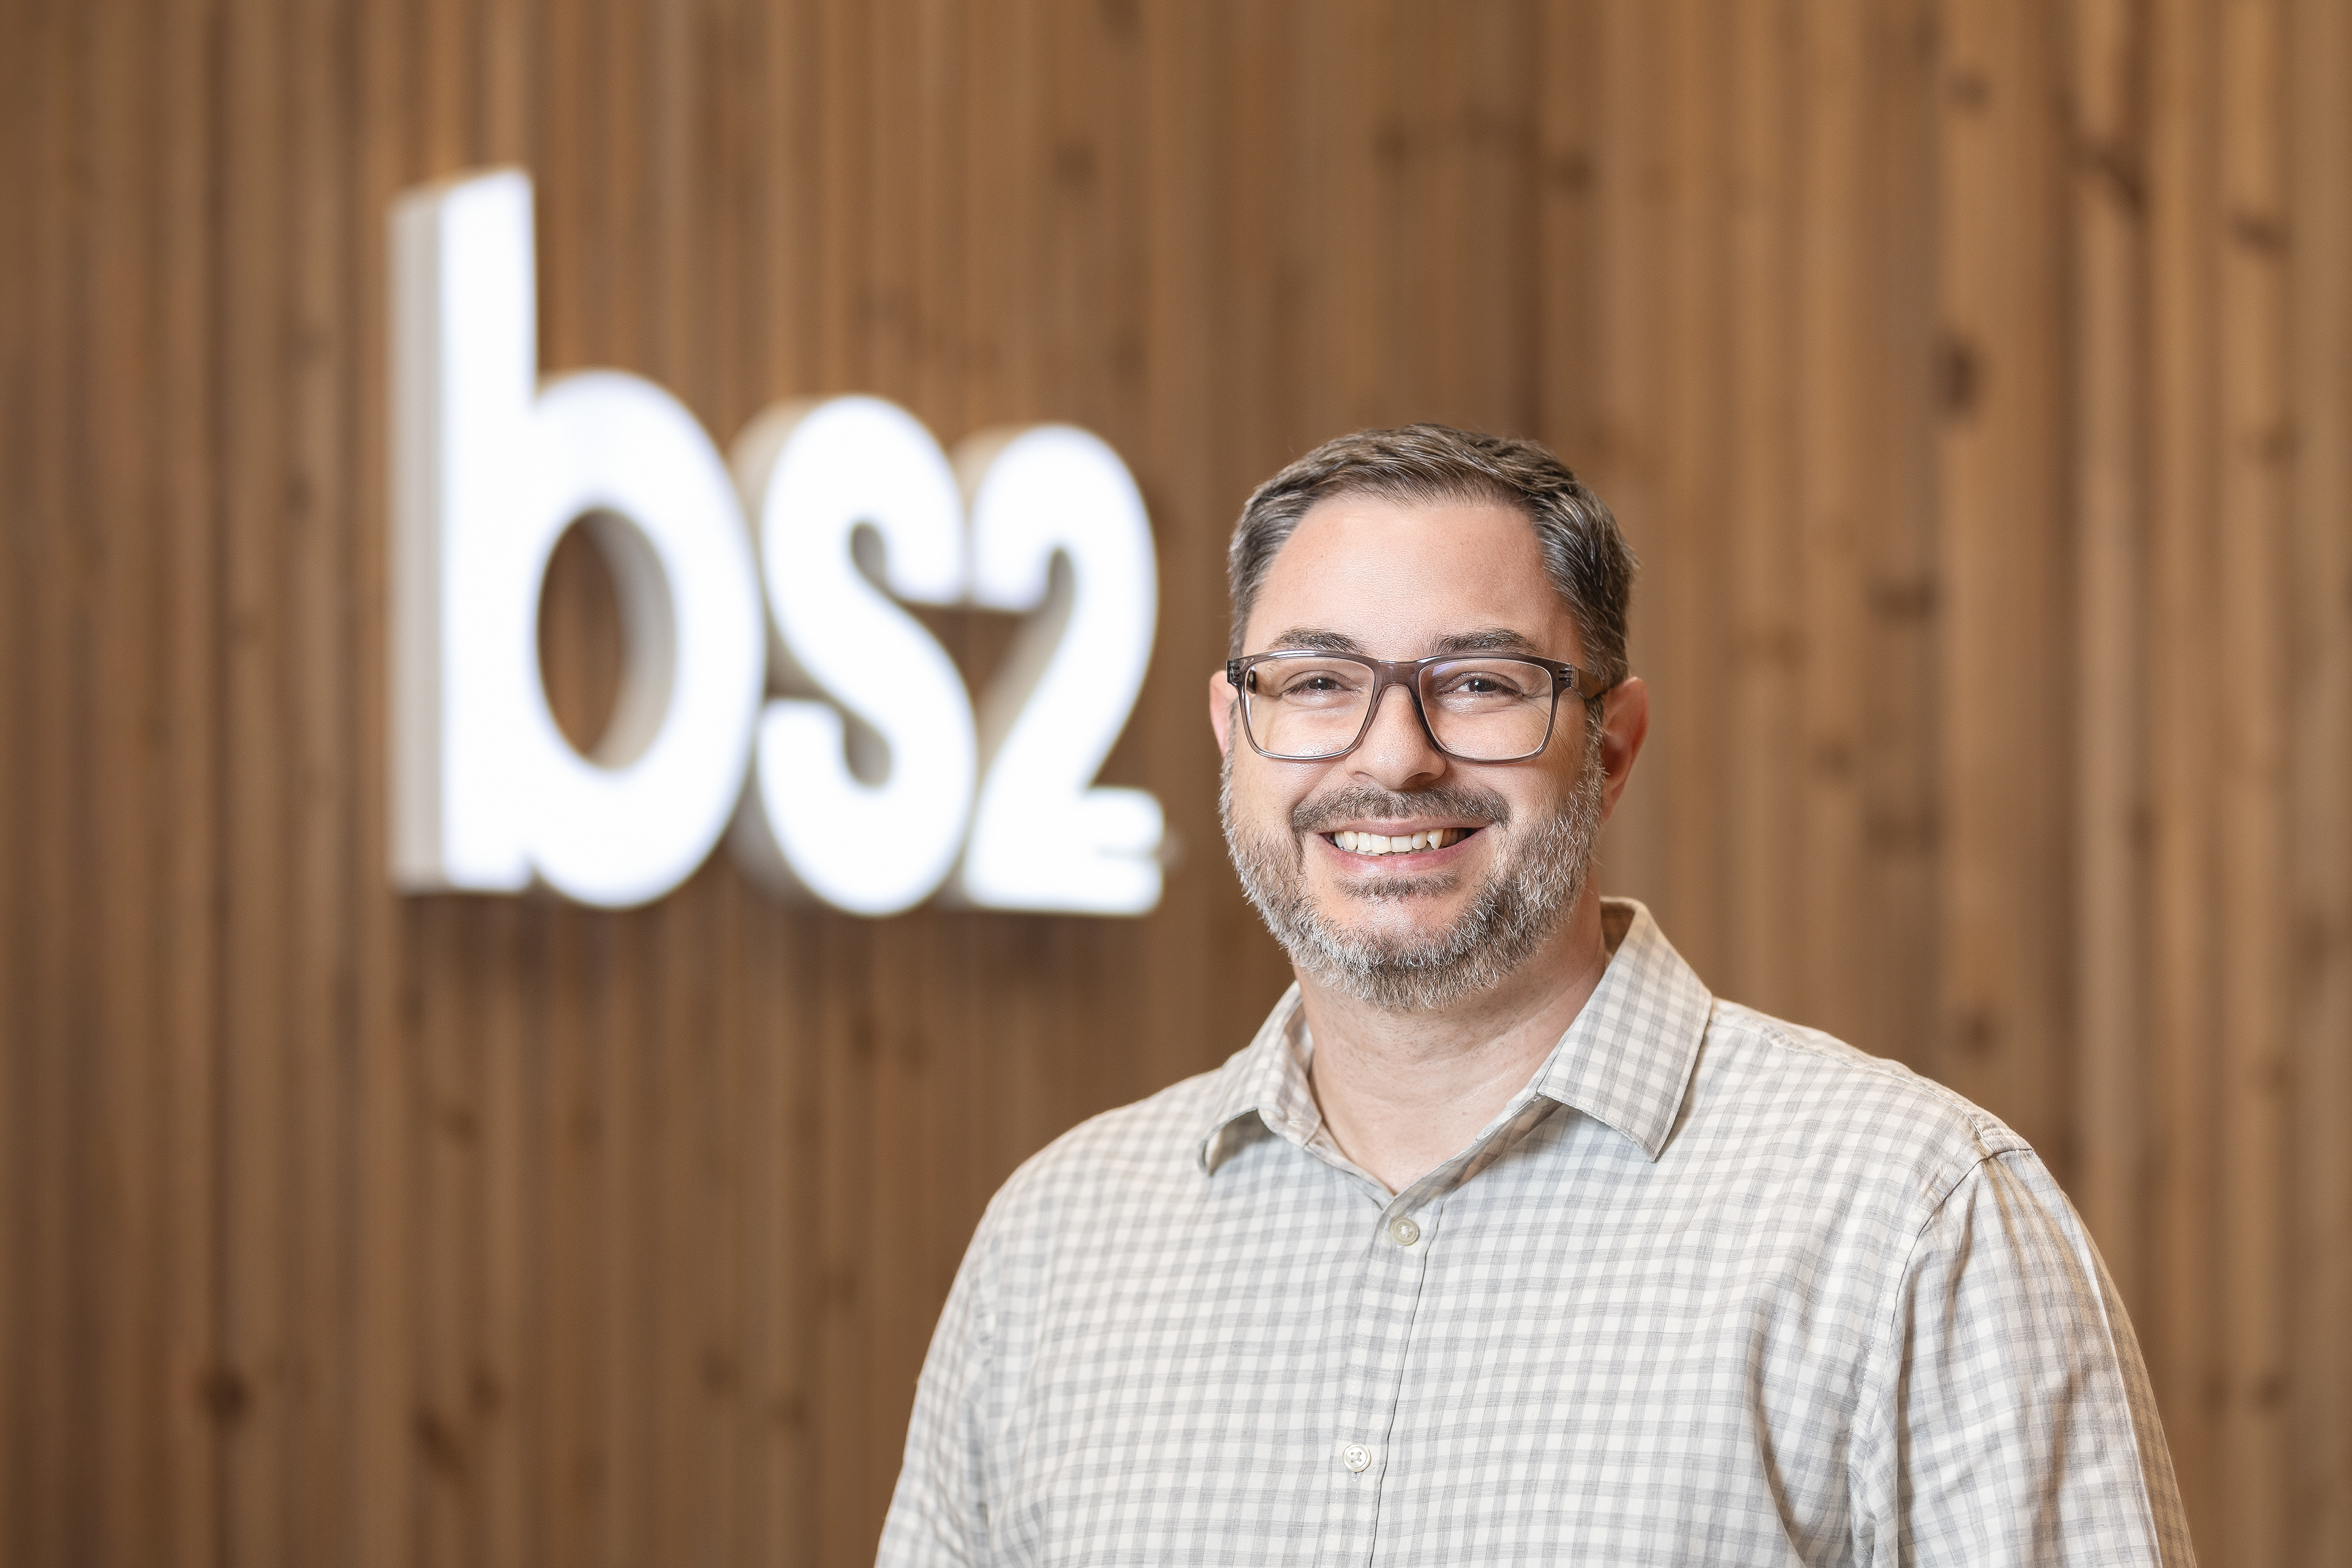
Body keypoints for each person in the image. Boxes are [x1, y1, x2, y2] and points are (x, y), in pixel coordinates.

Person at [877, 424, 2193, 1566]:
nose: (1395, 757)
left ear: (1610, 748)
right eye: (1318, 681)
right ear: (1235, 736)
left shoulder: (1911, 1220)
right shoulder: (1055, 1244)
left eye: (1480, 684)